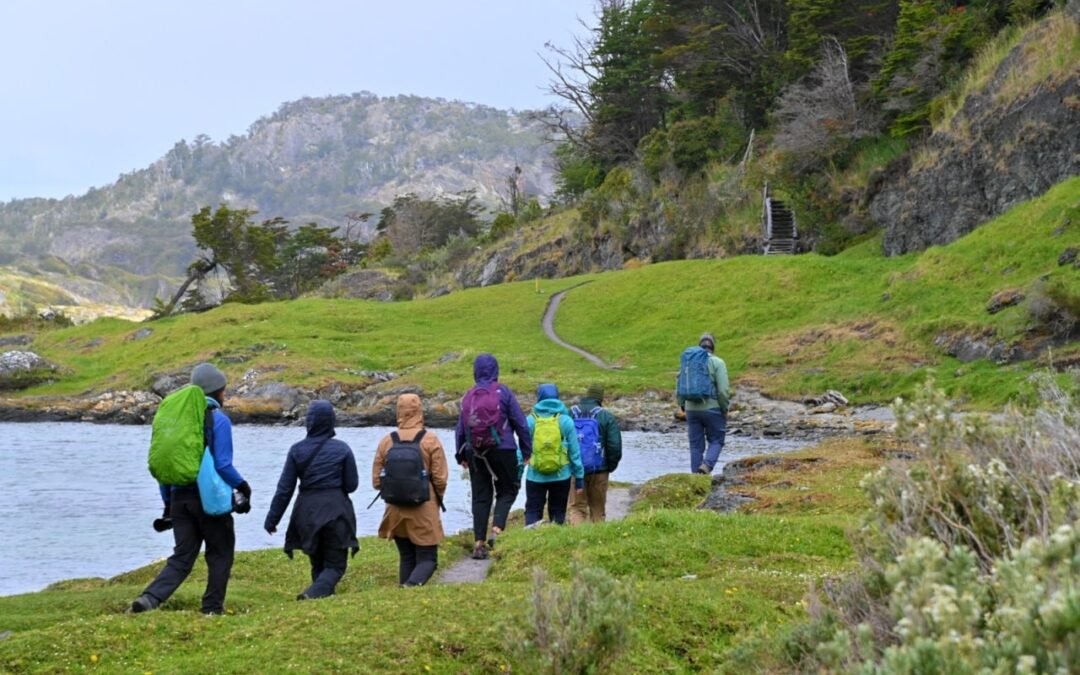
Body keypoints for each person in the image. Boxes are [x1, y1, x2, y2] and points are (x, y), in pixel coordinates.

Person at [130, 362, 251, 615]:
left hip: (178, 497)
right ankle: (211, 609)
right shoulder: (218, 420)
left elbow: (167, 465)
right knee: (220, 554)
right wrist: (242, 487)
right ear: (217, 391)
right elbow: (223, 464)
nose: (225, 394)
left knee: (182, 556)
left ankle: (149, 598)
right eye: (224, 389)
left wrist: (168, 503)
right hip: (208, 500)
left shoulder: (178, 422)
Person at [264, 400, 359, 599]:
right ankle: (312, 595)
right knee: (335, 565)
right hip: (335, 509)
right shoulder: (342, 449)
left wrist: (272, 519)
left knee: (317, 562)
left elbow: (284, 490)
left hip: (306, 512)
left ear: (309, 422)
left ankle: (322, 595)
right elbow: (352, 485)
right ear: (331, 421)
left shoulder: (296, 450)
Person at [455, 353, 532, 560]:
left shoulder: (469, 395)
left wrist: (460, 454)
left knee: (480, 495)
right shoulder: (503, 392)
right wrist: (526, 451)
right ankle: (496, 530)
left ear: (475, 371)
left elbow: (460, 428)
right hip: (504, 448)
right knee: (508, 488)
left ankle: (479, 543)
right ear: (496, 370)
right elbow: (521, 423)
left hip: (474, 451)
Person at [373, 393, 449, 586]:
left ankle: (404, 590)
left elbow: (376, 481)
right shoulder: (430, 440)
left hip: (395, 510)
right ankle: (410, 587)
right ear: (420, 411)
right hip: (424, 507)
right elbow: (440, 479)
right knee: (428, 559)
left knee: (407, 556)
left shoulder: (387, 441)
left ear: (398, 412)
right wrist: (435, 499)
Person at [524, 383, 583, 526]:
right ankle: (555, 536)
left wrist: (517, 473)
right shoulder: (566, 421)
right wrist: (579, 477)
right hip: (561, 475)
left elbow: (521, 451)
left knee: (533, 511)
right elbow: (574, 453)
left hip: (535, 476)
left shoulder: (530, 420)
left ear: (539, 398)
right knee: (558, 512)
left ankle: (531, 536)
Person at [567, 384, 623, 525]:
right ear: (600, 398)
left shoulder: (570, 413)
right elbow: (615, 446)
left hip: (576, 469)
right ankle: (598, 537)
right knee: (598, 509)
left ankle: (576, 536)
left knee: (577, 508)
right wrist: (609, 467)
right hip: (599, 470)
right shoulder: (606, 416)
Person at [677, 332, 731, 475]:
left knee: (695, 446)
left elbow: (679, 384)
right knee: (717, 440)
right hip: (713, 408)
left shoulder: (689, 363)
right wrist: (724, 408)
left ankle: (696, 476)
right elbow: (723, 390)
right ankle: (706, 466)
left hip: (691, 410)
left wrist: (683, 405)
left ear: (699, 346)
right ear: (713, 346)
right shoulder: (718, 362)